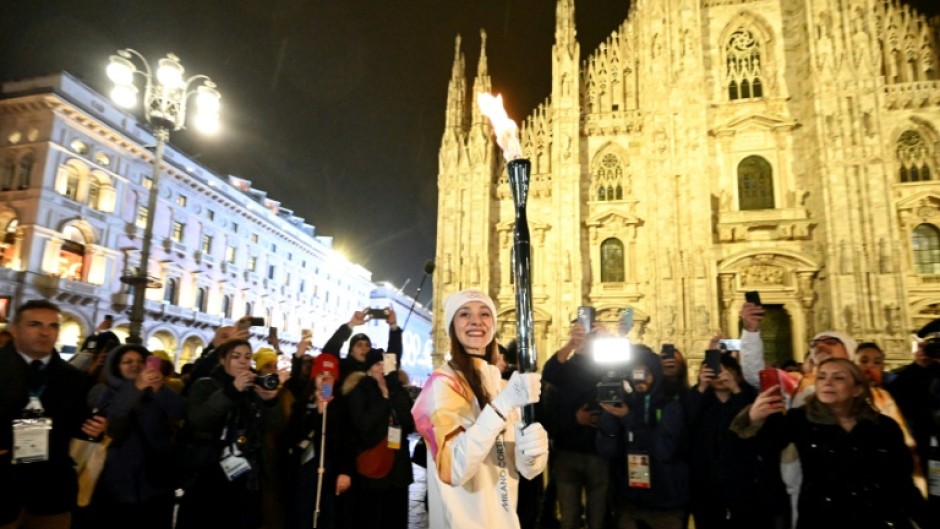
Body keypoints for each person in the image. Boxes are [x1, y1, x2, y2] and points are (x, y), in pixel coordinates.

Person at [732, 358, 927, 528]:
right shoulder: (801, 420)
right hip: (823, 519)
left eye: (839, 377)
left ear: (858, 389)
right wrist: (753, 419)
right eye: (822, 377)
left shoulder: (883, 427)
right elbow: (761, 448)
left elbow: (901, 483)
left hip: (876, 519)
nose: (828, 383)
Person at [412, 289, 548, 529]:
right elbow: (453, 468)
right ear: (452, 326)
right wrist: (502, 406)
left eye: (485, 313)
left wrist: (534, 452)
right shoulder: (441, 384)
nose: (476, 320)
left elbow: (522, 469)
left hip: (504, 520)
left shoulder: (500, 385)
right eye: (464, 314)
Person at [0, 299, 106, 529]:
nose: (45, 332)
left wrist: (93, 429)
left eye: (52, 326)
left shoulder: (73, 377)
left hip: (51, 487)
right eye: (35, 324)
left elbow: (78, 422)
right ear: (15, 329)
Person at [175, 339, 284, 529]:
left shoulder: (254, 389)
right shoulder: (206, 385)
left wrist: (270, 402)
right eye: (236, 356)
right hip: (209, 472)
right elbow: (200, 420)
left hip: (244, 474)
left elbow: (273, 427)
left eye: (247, 357)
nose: (243, 361)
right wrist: (232, 391)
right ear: (223, 360)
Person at [685, 341, 786, 529]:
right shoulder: (699, 401)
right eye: (715, 370)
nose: (719, 375)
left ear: (738, 375)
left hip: (746, 486)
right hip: (707, 487)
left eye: (726, 371)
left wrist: (736, 391)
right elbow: (687, 423)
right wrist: (700, 387)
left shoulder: (750, 399)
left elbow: (752, 426)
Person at [88, 344, 185, 529]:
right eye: (128, 362)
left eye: (141, 361)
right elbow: (114, 415)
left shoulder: (156, 391)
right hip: (116, 479)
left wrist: (159, 390)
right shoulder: (102, 391)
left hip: (155, 479)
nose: (135, 365)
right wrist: (136, 387)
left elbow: (179, 411)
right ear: (116, 366)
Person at [596, 344, 690, 529]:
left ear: (655, 373)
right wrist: (609, 415)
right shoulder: (626, 403)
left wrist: (628, 418)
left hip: (666, 502)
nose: (639, 379)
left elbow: (664, 450)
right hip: (630, 501)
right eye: (634, 373)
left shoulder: (670, 406)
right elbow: (607, 450)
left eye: (644, 373)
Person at [540, 321, 608, 529]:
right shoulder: (566, 368)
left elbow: (630, 370)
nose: (586, 339)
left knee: (599, 517)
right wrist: (571, 344)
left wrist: (609, 339)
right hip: (567, 451)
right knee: (569, 517)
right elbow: (549, 372)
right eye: (580, 333)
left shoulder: (606, 367)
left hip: (598, 451)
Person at [343, 348, 415, 529]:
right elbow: (363, 426)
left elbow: (409, 422)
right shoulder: (360, 391)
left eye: (386, 364)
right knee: (371, 518)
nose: (382, 367)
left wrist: (394, 391)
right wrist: (383, 399)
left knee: (396, 518)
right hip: (373, 468)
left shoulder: (398, 390)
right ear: (368, 368)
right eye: (377, 363)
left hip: (398, 469)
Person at [284, 352, 352, 529]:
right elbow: (293, 434)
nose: (325, 380)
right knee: (302, 513)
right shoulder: (302, 402)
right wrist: (317, 413)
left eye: (330, 377)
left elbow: (347, 441)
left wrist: (345, 471)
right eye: (321, 375)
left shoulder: (341, 405)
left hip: (329, 470)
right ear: (314, 377)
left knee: (327, 514)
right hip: (303, 469)